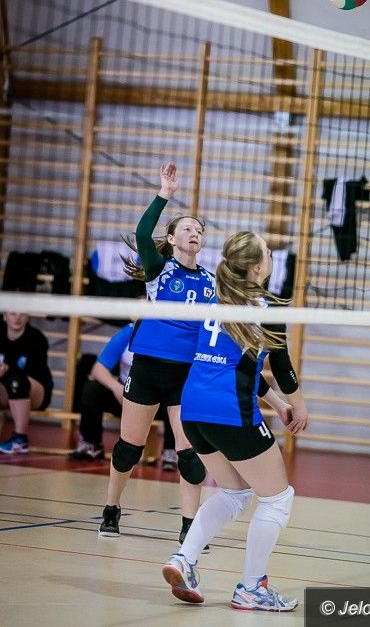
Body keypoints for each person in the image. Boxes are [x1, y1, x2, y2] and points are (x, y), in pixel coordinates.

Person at [162, 230, 308, 611]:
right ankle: (251, 588)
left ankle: (184, 559)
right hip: (229, 411)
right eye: (268, 252)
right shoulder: (267, 308)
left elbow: (239, 365)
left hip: (193, 410)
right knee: (277, 499)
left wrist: (276, 403)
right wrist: (299, 405)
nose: (272, 256)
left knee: (234, 492)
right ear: (257, 267)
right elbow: (282, 367)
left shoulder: (215, 297)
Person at [98, 162, 215, 549]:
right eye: (188, 228)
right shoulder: (159, 270)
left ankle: (189, 526)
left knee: (190, 455)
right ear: (172, 237)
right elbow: (141, 234)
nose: (195, 233)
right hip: (148, 369)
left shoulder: (212, 282)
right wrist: (165, 193)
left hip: (186, 375)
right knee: (129, 448)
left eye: (199, 230)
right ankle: (111, 508)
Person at [69, 322, 177, 467]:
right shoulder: (129, 332)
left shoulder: (170, 334)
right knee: (92, 388)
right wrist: (117, 388)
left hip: (158, 400)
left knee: (175, 397)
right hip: (126, 396)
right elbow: (98, 369)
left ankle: (171, 452)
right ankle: (91, 444)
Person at [0, 312, 53, 454]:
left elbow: (33, 373)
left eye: (22, 314)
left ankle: (20, 439)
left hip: (35, 389)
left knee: (16, 381)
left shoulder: (36, 338)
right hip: (6, 387)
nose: (17, 318)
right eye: (13, 313)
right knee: (13, 381)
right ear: (4, 315)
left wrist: (7, 369)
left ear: (28, 316)